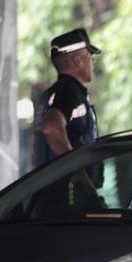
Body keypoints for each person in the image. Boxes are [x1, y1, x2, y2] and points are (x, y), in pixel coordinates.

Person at [33, 28, 101, 168]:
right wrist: (74, 170)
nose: (93, 62)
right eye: (90, 56)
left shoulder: (54, 93)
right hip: (66, 188)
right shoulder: (69, 93)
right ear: (78, 60)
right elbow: (52, 126)